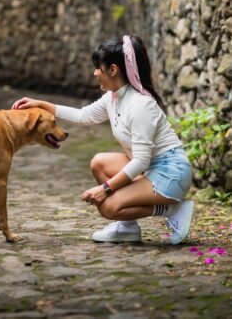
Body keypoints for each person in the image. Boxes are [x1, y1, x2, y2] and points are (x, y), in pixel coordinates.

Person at [12, 35, 194, 245]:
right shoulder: (114, 97)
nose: (95, 72)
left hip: (170, 173)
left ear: (113, 69)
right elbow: (83, 116)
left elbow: (141, 161)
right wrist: (41, 104)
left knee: (109, 207)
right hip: (150, 168)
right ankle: (127, 228)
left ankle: (173, 209)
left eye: (98, 67)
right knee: (99, 162)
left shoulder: (141, 106)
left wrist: (106, 188)